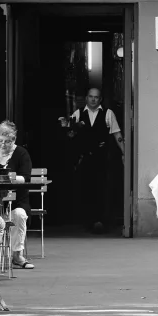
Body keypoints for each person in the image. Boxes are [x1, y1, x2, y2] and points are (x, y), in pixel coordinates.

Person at [64, 87, 124, 233]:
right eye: (91, 96)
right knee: (85, 189)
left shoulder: (108, 114)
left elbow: (117, 134)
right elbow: (69, 135)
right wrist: (69, 131)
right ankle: (87, 221)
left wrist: (124, 153)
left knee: (103, 188)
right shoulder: (78, 114)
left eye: (96, 97)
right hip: (84, 159)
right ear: (86, 98)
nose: (93, 99)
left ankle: (102, 220)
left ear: (100, 99)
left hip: (102, 158)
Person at [0, 120, 34, 270]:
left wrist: (6, 177)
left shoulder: (21, 153)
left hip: (17, 201)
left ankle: (17, 255)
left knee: (19, 215)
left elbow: (26, 178)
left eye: (7, 141)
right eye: (0, 141)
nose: (3, 145)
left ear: (14, 139)